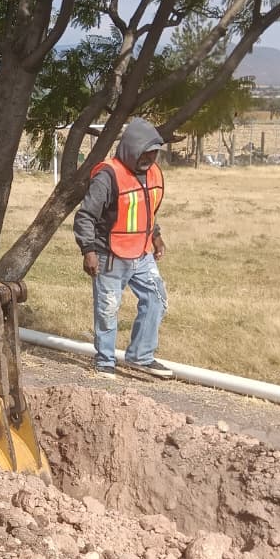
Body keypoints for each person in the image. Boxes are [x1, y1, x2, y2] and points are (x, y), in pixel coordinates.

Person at [73, 118, 175, 380]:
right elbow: (85, 216)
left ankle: (141, 357)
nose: (149, 158)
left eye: (154, 153)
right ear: (131, 149)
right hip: (110, 255)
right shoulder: (108, 175)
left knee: (156, 299)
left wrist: (156, 236)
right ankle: (105, 362)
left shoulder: (153, 173)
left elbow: (146, 210)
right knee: (108, 309)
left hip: (142, 253)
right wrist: (88, 251)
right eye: (145, 153)